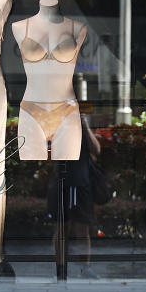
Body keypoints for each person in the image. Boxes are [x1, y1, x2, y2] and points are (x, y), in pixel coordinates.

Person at [48, 115, 101, 279]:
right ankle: (61, 270)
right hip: (62, 182)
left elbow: (96, 150)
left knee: (82, 228)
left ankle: (85, 267)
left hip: (81, 183)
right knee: (61, 228)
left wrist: (84, 126)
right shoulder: (57, 125)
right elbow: (50, 153)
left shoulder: (83, 128)